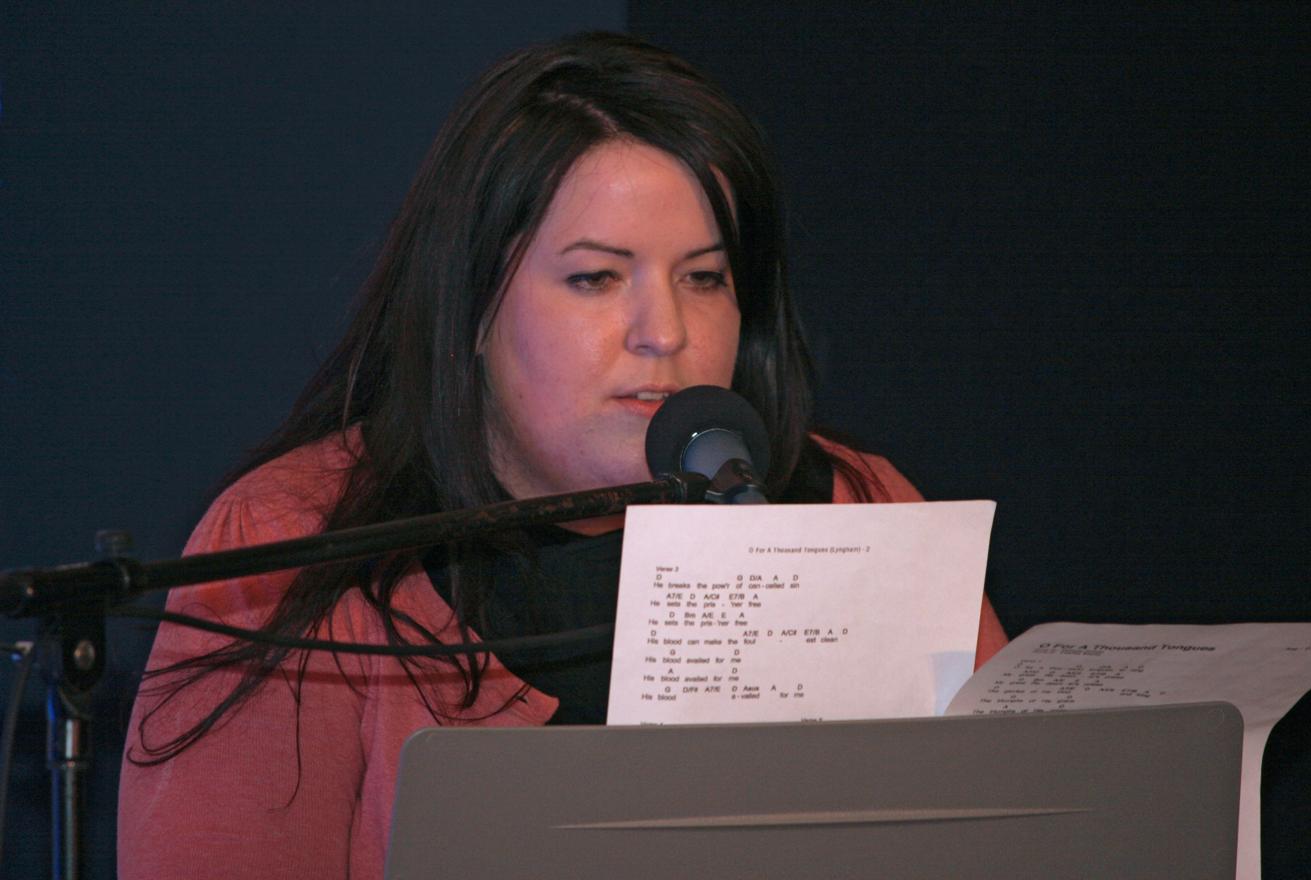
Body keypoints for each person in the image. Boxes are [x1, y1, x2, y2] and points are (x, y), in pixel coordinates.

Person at [117, 31, 1008, 879]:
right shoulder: (292, 544)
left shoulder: (857, 507)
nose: (665, 332)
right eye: (596, 278)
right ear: (471, 308)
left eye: (704, 278)